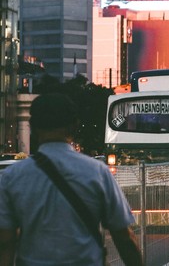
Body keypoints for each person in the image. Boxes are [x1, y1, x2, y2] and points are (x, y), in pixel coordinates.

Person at [0, 93, 143, 266]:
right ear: (74, 126)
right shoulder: (97, 172)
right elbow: (124, 237)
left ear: (32, 127)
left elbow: (5, 242)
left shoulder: (12, 177)